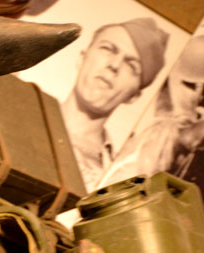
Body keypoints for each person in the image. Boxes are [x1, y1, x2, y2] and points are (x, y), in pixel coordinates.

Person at [60, 18, 169, 190]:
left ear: (134, 96)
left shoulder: (112, 180)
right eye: (108, 49)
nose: (115, 65)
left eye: (131, 65)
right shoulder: (18, 108)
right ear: (82, 58)